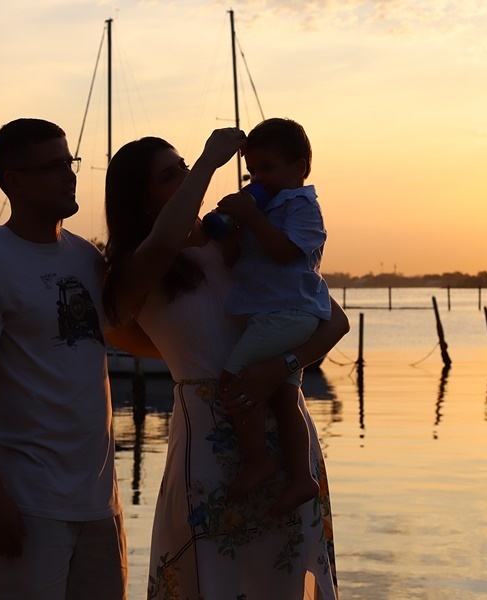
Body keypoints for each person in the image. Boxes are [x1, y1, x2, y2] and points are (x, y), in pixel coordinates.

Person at [103, 131, 347, 599]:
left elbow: (333, 323)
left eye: (185, 168)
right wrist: (208, 162)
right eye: (170, 175)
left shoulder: (241, 250)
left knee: (285, 577)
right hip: (210, 448)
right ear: (141, 200)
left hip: (286, 439)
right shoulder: (141, 265)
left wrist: (280, 367)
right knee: (211, 575)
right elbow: (117, 328)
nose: (188, 177)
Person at [0, 118, 126, 599]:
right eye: (53, 166)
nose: (70, 175)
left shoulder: (87, 258)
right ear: (14, 181)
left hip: (100, 502)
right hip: (30, 505)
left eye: (69, 162)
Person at [210, 117, 331, 512]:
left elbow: (284, 252)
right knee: (284, 397)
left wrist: (256, 217)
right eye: (252, 171)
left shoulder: (302, 207)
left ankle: (258, 461)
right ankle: (301, 478)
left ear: (300, 168)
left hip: (288, 315)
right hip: (270, 316)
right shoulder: (262, 209)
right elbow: (232, 262)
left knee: (232, 383)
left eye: (268, 169)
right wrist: (233, 227)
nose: (257, 178)